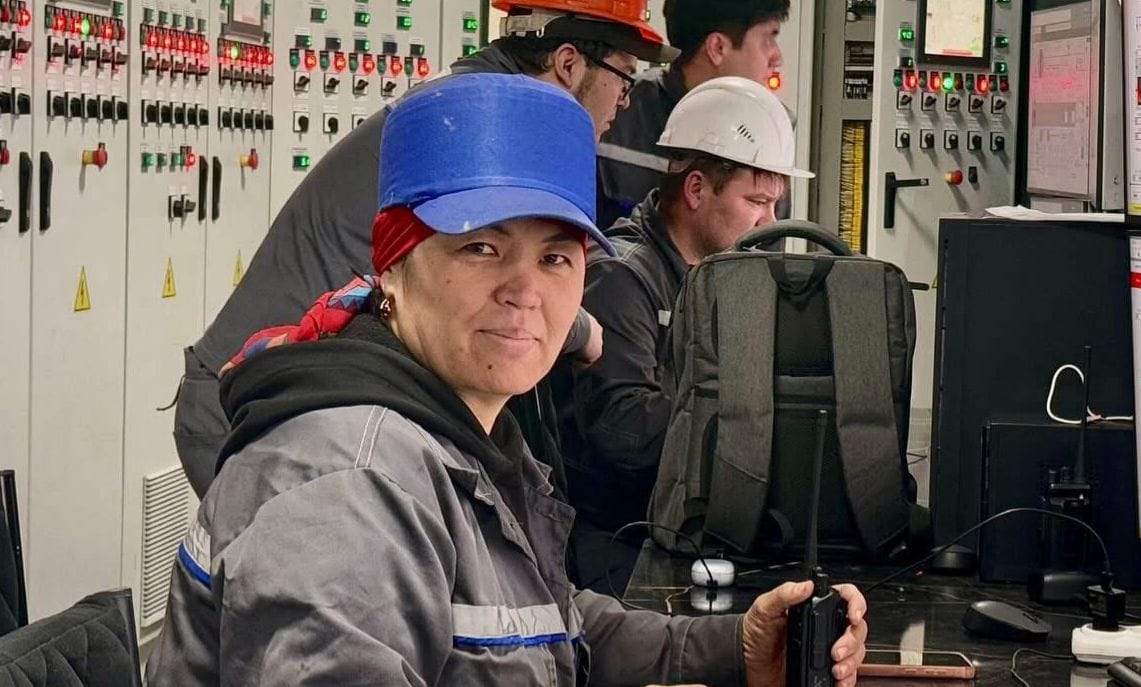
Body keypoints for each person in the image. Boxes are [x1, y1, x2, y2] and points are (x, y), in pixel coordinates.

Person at [147, 73, 866, 686]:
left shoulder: (457, 430)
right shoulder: (346, 490)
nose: (524, 291)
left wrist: (731, 648)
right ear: (392, 263)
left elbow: (537, 622)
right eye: (481, 248)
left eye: (555, 258)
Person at [173, 0, 679, 498]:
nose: (625, 102)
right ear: (568, 63)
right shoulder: (474, 121)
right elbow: (493, 281)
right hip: (253, 407)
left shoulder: (470, 100)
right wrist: (581, 330)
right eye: (624, 78)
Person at [554, 76, 814, 593]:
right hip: (618, 542)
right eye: (756, 201)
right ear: (696, 189)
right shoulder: (620, 278)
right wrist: (749, 433)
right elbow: (625, 431)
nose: (770, 222)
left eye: (775, 205)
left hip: (691, 521)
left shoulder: (724, 275)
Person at [596, 0, 790, 229]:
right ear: (717, 48)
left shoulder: (771, 134)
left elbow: (769, 245)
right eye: (768, 38)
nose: (777, 58)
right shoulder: (616, 113)